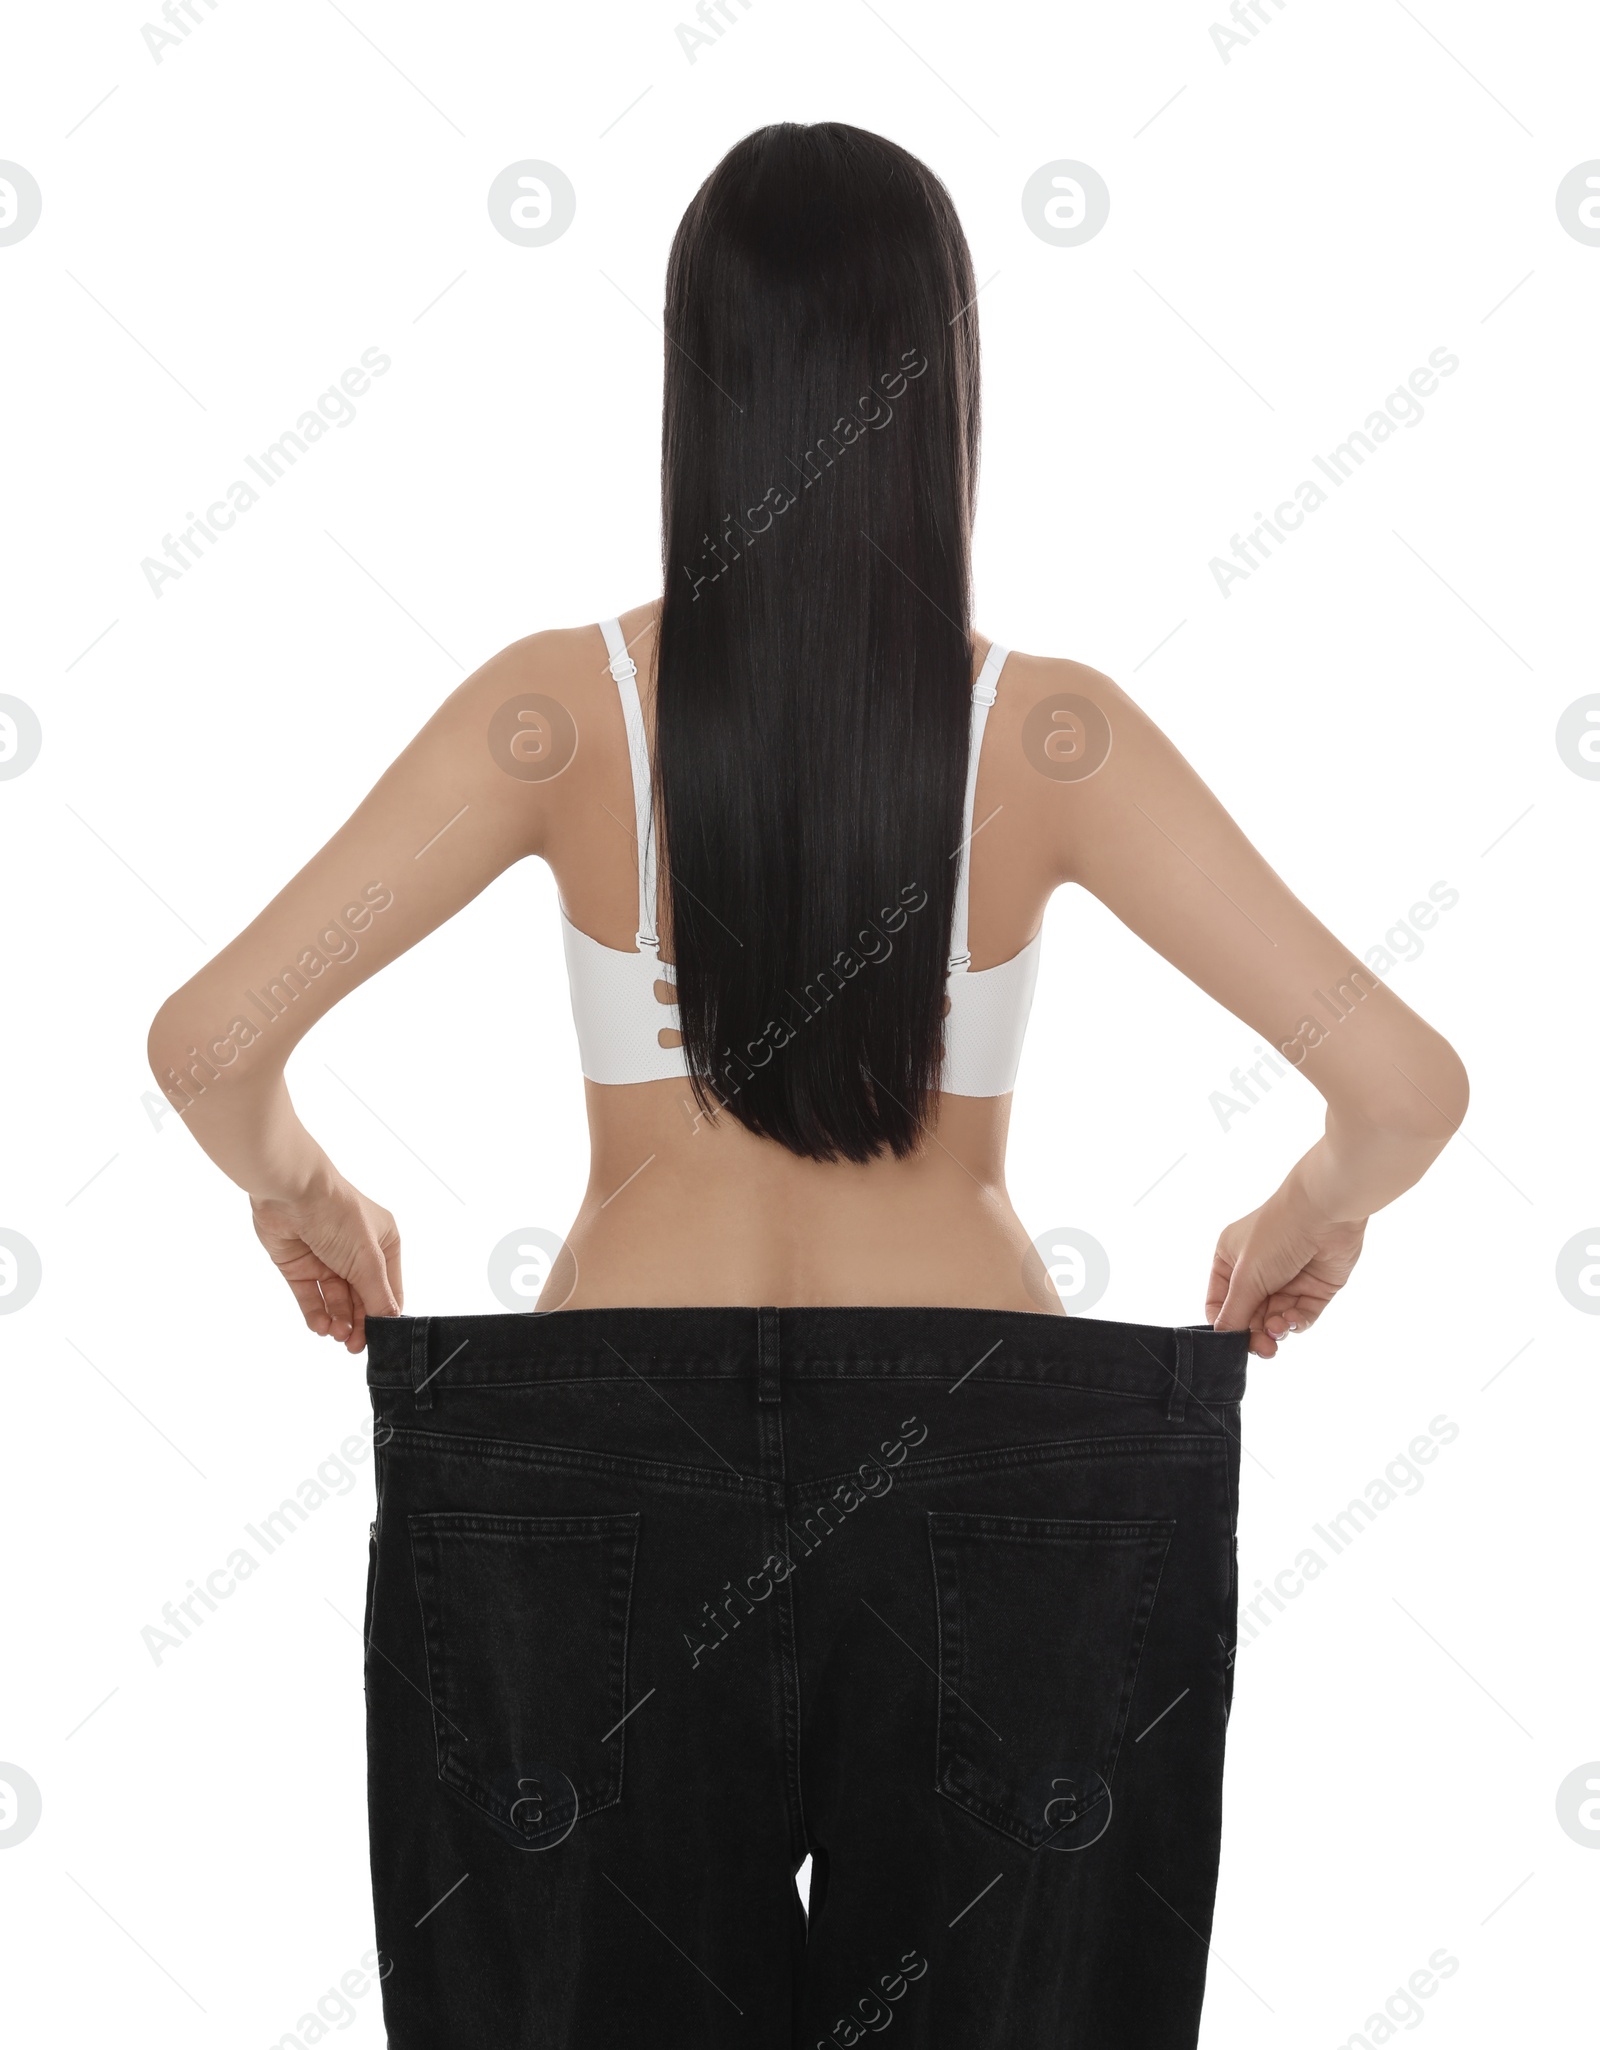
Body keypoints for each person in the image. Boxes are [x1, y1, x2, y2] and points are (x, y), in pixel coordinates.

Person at [147, 122, 1466, 2049]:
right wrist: (1298, 1222)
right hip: (993, 1464)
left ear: (695, 385)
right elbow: (1408, 1090)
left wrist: (308, 1197)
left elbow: (209, 1040)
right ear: (946, 384)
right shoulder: (1054, 733)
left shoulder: (556, 708)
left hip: (599, 1467)